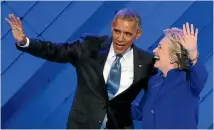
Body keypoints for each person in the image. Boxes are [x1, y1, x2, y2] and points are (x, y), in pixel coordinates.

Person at [5, 8, 155, 129]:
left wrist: (138, 111)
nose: (120, 38)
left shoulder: (147, 62)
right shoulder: (89, 46)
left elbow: (156, 93)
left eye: (128, 34)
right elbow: (55, 51)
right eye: (117, 31)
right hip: (82, 125)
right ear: (112, 27)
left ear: (138, 34)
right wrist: (25, 41)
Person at [131, 22, 208, 129]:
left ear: (174, 57)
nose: (154, 50)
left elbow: (201, 76)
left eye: (160, 47)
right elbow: (139, 111)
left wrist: (193, 53)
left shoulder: (188, 81)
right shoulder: (153, 82)